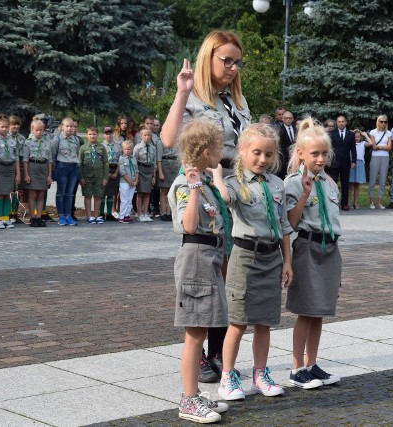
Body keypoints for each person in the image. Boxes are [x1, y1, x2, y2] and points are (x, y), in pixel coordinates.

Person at [161, 30, 251, 384]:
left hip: (235, 187)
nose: (232, 67)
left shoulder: (237, 101)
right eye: (225, 60)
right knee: (205, 269)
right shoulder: (194, 97)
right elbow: (169, 139)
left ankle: (217, 351)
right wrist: (182, 92)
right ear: (208, 58)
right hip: (203, 187)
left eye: (236, 62)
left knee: (229, 272)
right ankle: (197, 353)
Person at [215, 123, 292, 401]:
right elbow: (225, 199)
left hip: (272, 257)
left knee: (264, 322)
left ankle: (260, 374)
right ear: (243, 151)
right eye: (256, 152)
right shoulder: (234, 182)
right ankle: (227, 376)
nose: (263, 159)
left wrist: (287, 262)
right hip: (245, 257)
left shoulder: (277, 184)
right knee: (238, 321)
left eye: (269, 154)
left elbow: (283, 225)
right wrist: (216, 175)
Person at [169, 119, 230, 424]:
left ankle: (193, 394)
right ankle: (188, 399)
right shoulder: (187, 183)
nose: (223, 150)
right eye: (219, 145)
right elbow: (190, 225)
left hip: (209, 257)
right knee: (195, 333)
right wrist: (193, 189)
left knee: (202, 328)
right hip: (196, 257)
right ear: (206, 150)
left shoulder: (205, 180)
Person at [283, 117, 341, 389]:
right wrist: (305, 195)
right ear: (301, 154)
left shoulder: (330, 183)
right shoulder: (293, 183)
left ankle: (312, 363)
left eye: (324, 154)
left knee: (319, 311)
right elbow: (291, 223)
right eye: (314, 154)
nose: (320, 159)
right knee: (306, 310)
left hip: (329, 247)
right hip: (307, 247)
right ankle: (296, 368)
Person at [23, 119, 52, 227]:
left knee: (41, 195)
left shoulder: (47, 143)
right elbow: (25, 160)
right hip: (32, 167)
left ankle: (39, 217)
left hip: (43, 168)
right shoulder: (28, 142)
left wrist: (49, 175)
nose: (39, 132)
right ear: (32, 130)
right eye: (37, 130)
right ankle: (32, 217)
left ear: (44, 131)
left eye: (41, 130)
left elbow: (50, 160)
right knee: (33, 195)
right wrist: (26, 174)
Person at [51, 117, 80, 226]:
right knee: (61, 193)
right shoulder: (57, 139)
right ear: (62, 127)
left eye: (71, 126)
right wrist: (53, 171)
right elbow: (53, 155)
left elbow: (76, 153)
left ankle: (69, 215)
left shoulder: (76, 139)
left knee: (70, 193)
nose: (69, 128)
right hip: (62, 167)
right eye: (67, 126)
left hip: (73, 167)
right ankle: (61, 216)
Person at [0, 115, 21, 229]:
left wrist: (18, 173)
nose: (4, 129)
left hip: (10, 169)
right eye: (2, 127)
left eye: (6, 127)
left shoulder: (12, 140)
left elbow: (16, 158)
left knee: (8, 194)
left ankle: (6, 218)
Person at [78, 127, 109, 224]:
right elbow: (80, 164)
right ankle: (89, 216)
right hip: (87, 176)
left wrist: (105, 177)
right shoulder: (83, 148)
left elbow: (105, 163)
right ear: (87, 135)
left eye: (94, 134)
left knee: (98, 196)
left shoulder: (101, 147)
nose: (92, 136)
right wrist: (81, 177)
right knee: (87, 196)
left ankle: (96, 216)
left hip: (99, 176)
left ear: (97, 135)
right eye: (90, 134)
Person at [328, 115, 356, 211]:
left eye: (343, 121)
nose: (341, 123)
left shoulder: (351, 134)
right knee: (333, 183)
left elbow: (353, 149)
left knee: (345, 184)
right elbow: (329, 148)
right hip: (334, 162)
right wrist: (328, 159)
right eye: (339, 121)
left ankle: (344, 204)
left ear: (346, 122)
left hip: (346, 163)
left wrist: (354, 161)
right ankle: (333, 202)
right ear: (337, 123)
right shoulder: (332, 133)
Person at [365, 115, 392, 210]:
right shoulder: (373, 132)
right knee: (372, 180)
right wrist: (383, 146)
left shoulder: (389, 133)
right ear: (378, 122)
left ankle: (380, 201)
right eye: (381, 121)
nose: (383, 123)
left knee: (383, 181)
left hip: (385, 157)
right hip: (375, 157)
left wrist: (380, 147)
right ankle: (371, 201)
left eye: (385, 122)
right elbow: (373, 146)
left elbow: (389, 147)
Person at [133, 128, 157, 222]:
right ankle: (139, 213)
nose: (147, 137)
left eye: (148, 135)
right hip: (141, 170)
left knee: (147, 193)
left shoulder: (153, 148)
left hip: (149, 170)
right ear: (141, 136)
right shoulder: (137, 147)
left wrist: (154, 176)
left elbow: (154, 163)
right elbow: (134, 162)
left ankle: (146, 213)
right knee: (140, 193)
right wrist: (136, 176)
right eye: (145, 135)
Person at [101, 126, 122, 221]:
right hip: (104, 169)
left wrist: (116, 173)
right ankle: (101, 213)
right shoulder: (101, 146)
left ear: (113, 134)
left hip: (114, 169)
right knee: (102, 193)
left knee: (111, 193)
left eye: (110, 133)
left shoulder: (118, 146)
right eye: (107, 134)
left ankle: (109, 213)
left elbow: (120, 161)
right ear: (104, 135)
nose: (109, 136)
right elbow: (100, 161)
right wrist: (106, 173)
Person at [8, 116, 25, 223]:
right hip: (7, 166)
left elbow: (23, 153)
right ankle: (7, 213)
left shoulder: (22, 138)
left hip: (19, 165)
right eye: (13, 124)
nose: (16, 126)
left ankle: (14, 213)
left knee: (17, 190)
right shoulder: (4, 137)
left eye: (17, 124)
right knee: (8, 190)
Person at [118, 141, 138, 223]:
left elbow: (137, 170)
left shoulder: (133, 158)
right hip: (124, 182)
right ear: (122, 149)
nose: (127, 151)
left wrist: (136, 180)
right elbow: (122, 172)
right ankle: (122, 216)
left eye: (129, 149)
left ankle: (127, 215)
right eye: (125, 149)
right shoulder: (121, 159)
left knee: (130, 200)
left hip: (133, 182)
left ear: (132, 150)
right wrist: (129, 181)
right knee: (124, 200)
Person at [348, 130, 367, 209]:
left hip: (360, 164)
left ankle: (355, 203)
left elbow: (371, 143)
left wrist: (365, 135)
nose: (356, 138)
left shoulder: (363, 144)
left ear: (360, 137)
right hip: (352, 163)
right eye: (355, 137)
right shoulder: (350, 144)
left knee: (357, 185)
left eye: (358, 137)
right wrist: (349, 133)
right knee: (350, 185)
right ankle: (348, 202)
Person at [277, 110, 297, 179]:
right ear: (282, 119)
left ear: (293, 119)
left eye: (290, 118)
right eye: (286, 118)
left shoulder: (296, 129)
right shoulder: (280, 130)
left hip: (295, 157)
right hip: (284, 159)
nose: (288, 120)